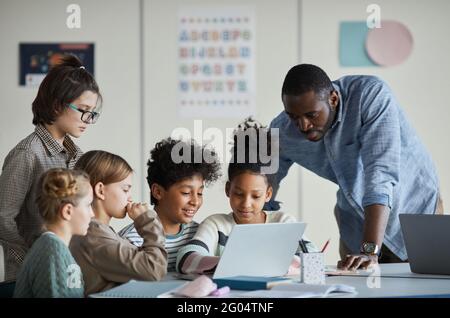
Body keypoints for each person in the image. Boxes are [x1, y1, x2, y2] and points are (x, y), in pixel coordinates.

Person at [268, 64, 443, 270]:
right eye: (294, 117)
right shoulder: (281, 130)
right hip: (355, 224)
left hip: (414, 214)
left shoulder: (370, 95)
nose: (303, 126)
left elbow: (380, 177)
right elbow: (261, 187)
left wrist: (369, 251)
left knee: (424, 290)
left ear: (333, 99)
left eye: (312, 115)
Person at [0, 54, 101, 282]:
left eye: (92, 112)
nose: (88, 119)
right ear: (57, 106)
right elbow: (2, 219)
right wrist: (38, 254)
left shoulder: (78, 156)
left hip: (68, 271)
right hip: (30, 277)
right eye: (84, 109)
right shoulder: (27, 154)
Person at [176, 118, 316, 274]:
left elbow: (313, 261)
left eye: (256, 196)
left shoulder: (284, 223)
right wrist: (233, 263)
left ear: (268, 194)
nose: (246, 204)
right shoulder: (216, 225)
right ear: (228, 189)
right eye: (238, 194)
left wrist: (252, 264)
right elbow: (186, 259)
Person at [70, 150, 167, 295]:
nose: (130, 198)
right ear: (100, 190)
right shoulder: (94, 237)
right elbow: (154, 269)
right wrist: (147, 220)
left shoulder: (99, 231)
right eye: (125, 189)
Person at [119, 138, 221, 272]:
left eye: (200, 193)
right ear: (158, 192)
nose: (195, 201)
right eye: (186, 192)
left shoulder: (200, 234)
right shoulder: (131, 239)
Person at [14, 168, 94, 298]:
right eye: (88, 205)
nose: (92, 214)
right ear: (67, 211)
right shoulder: (53, 252)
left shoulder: (53, 247)